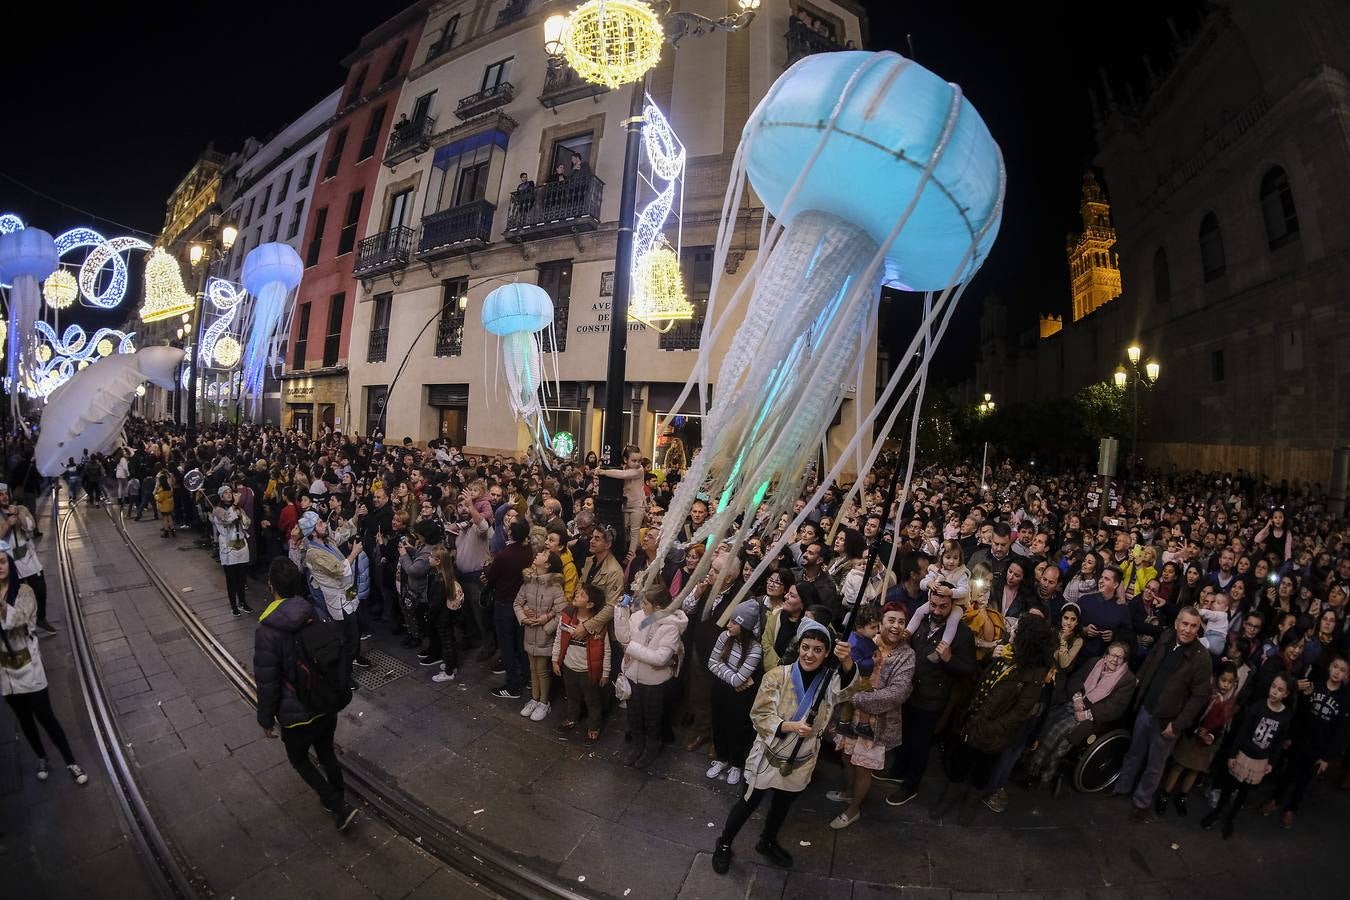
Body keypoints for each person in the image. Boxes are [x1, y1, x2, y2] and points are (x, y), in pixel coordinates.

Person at [711, 620, 856, 875]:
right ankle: (723, 842)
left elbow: (848, 692)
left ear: (826, 652)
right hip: (768, 755)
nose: (810, 654)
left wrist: (846, 662)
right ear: (798, 646)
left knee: (782, 804)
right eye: (806, 647)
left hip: (802, 758)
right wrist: (790, 726)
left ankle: (767, 841)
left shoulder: (829, 680)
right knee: (748, 802)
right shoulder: (778, 675)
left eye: (818, 649)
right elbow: (759, 715)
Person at [254, 558, 357, 831]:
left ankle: (336, 803)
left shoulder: (267, 632)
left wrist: (265, 719)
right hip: (324, 702)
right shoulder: (312, 612)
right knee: (326, 754)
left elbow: (267, 681)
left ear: (271, 586)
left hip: (296, 714)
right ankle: (338, 796)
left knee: (299, 759)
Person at [929, 614, 1056, 826]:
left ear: (1025, 637)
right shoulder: (1005, 653)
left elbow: (1020, 712)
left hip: (993, 734)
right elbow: (983, 680)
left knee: (982, 771)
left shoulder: (1035, 674)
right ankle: (948, 798)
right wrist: (990, 656)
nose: (1011, 630)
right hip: (972, 721)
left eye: (1016, 628)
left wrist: (989, 727)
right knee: (959, 763)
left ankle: (970, 805)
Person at [1112, 606, 1213, 820]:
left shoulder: (1201, 658)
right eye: (1184, 624)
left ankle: (1141, 803)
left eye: (1193, 626)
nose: (1187, 629)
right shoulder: (1167, 637)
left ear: (1198, 629)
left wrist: (1177, 725)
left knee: (1155, 765)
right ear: (1177, 623)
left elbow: (1199, 699)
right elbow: (1150, 662)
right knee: (1134, 752)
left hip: (1168, 722)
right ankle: (1121, 788)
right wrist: (1139, 679)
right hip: (1146, 709)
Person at [882, 587, 977, 806]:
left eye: (943, 607)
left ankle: (911, 785)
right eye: (933, 605)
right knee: (903, 734)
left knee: (920, 744)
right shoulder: (921, 621)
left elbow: (969, 669)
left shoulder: (962, 634)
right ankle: (899, 770)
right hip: (908, 691)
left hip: (933, 697)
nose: (937, 610)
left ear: (952, 605)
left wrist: (949, 659)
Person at [1, 552, 88, 786]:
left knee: (46, 716)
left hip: (29, 668)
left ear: (9, 564)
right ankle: (41, 757)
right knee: (24, 720)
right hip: (5, 673)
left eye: (1, 561)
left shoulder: (24, 592)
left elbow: (13, 621)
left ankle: (70, 761)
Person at [828, 602, 915, 830]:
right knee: (847, 758)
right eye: (891, 620)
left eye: (901, 622)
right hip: (850, 716)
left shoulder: (907, 655)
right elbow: (847, 671)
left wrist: (856, 699)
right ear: (880, 623)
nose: (896, 626)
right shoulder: (867, 640)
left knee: (863, 767)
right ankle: (848, 793)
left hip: (876, 722)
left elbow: (896, 693)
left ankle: (854, 808)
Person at [1026, 641, 1137, 788]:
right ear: (1106, 655)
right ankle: (1030, 763)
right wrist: (1077, 697)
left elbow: (1115, 708)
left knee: (1059, 732)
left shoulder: (1127, 679)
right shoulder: (1094, 662)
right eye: (1112, 655)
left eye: (1120, 657)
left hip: (1092, 716)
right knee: (1047, 720)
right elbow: (1076, 679)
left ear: (1124, 661)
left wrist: (1086, 714)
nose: (1114, 660)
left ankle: (1042, 774)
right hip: (1074, 702)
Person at [1201, 672, 1295, 838]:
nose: (1274, 691)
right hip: (1243, 755)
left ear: (1286, 694)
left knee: (1243, 793)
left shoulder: (1286, 715)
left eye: (1280, 690)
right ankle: (1216, 813)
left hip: (1260, 760)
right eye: (1273, 686)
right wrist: (1233, 754)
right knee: (1229, 787)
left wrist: (1271, 762)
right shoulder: (1257, 707)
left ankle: (1230, 819)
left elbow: (1279, 742)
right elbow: (1242, 732)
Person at [1262, 653, 1349, 827]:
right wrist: (1290, 737)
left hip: (1318, 746)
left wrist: (1326, 757)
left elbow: (1340, 730)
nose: (1337, 672)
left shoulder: (1344, 700)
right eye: (1335, 667)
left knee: (1304, 780)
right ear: (1329, 667)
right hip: (1301, 740)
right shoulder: (1315, 687)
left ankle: (1291, 809)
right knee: (1288, 773)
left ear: (1347, 676)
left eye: (1343, 670)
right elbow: (1300, 714)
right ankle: (1275, 800)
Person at [615, 578, 688, 769]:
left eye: (645, 603)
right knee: (634, 715)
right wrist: (621, 612)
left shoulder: (670, 627)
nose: (641, 606)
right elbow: (623, 637)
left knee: (652, 718)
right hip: (632, 676)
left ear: (656, 606)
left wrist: (630, 648)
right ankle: (637, 746)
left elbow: (660, 659)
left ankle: (651, 748)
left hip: (653, 682)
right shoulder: (639, 616)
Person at [1155, 662, 1241, 816]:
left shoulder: (1230, 701)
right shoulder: (1207, 693)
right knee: (1179, 766)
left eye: (1230, 682)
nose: (1226, 685)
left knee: (1195, 769)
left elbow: (1222, 725)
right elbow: (1193, 712)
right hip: (1191, 735)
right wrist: (1196, 729)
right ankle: (1164, 795)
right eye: (1223, 680)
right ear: (1215, 678)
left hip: (1207, 740)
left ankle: (1182, 797)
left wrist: (1211, 735)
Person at [298, 509, 369, 673]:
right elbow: (338, 569)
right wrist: (354, 553)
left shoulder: (327, 541)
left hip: (349, 593)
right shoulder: (313, 554)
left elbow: (342, 533)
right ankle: (345, 673)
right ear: (313, 532)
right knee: (347, 636)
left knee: (356, 629)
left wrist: (356, 517)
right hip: (338, 600)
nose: (325, 524)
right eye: (320, 524)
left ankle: (355, 657)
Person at [706, 600, 764, 786]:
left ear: (745, 626)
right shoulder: (724, 637)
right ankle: (722, 759)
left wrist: (724, 670)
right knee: (719, 723)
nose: (728, 625)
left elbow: (738, 679)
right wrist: (732, 675)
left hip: (740, 697)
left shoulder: (755, 649)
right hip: (720, 690)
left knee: (737, 729)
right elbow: (711, 663)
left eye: (734, 622)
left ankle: (737, 764)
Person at [552, 584, 611, 741]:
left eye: (582, 595)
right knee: (572, 696)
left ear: (590, 604)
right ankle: (572, 718)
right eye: (578, 593)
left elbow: (606, 650)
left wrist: (605, 673)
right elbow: (559, 638)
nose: (577, 595)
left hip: (588, 671)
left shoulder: (597, 625)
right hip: (569, 666)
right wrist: (555, 660)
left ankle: (594, 726)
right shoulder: (566, 617)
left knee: (592, 700)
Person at [485, 518, 534, 700]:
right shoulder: (528, 552)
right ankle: (528, 678)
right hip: (522, 604)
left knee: (506, 645)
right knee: (521, 645)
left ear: (511, 533)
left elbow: (491, 576)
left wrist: (486, 566)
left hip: (505, 603)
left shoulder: (505, 555)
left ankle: (513, 685)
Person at [516, 548, 566, 722]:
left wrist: (546, 623)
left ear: (547, 564)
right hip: (530, 632)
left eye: (543, 554)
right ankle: (534, 698)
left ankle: (544, 702)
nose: (537, 554)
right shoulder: (528, 581)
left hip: (545, 637)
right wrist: (524, 617)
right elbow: (517, 603)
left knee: (542, 670)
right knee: (532, 669)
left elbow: (562, 613)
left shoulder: (555, 586)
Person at [0, 483, 56, 636]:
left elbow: (31, 526)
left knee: (40, 591)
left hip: (28, 560)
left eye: (5, 493)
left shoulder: (21, 509)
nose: (4, 497)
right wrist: (7, 524)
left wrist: (18, 513)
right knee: (13, 597)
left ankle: (41, 618)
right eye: (0, 494)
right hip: (8, 564)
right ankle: (22, 627)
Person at [834, 604, 881, 738]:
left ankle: (844, 723)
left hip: (858, 677)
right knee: (868, 698)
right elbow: (856, 664)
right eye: (873, 627)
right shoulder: (853, 643)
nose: (876, 631)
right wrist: (873, 662)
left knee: (849, 703)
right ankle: (863, 724)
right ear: (859, 627)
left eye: (877, 627)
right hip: (857, 677)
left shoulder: (864, 638)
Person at [211, 484, 255, 617]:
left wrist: (241, 516)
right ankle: (233, 605)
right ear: (221, 496)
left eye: (231, 492)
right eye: (226, 492)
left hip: (241, 545)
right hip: (228, 548)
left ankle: (242, 602)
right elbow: (226, 520)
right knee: (231, 579)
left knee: (241, 578)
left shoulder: (238, 508)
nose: (229, 494)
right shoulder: (217, 510)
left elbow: (247, 523)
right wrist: (234, 506)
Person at [597, 443, 645, 554]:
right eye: (634, 461)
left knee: (634, 531)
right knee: (623, 529)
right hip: (626, 504)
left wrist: (604, 472)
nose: (637, 463)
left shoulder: (639, 470)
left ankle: (631, 554)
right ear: (625, 459)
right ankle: (622, 550)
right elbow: (620, 472)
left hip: (637, 505)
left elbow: (623, 475)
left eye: (639, 460)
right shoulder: (624, 468)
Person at [426, 544, 463, 683]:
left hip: (442, 617)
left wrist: (430, 616)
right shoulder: (449, 575)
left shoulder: (439, 580)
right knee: (450, 640)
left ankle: (448, 671)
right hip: (449, 614)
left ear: (438, 561)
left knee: (446, 642)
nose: (428, 558)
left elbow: (435, 603)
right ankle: (452, 665)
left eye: (431, 557)